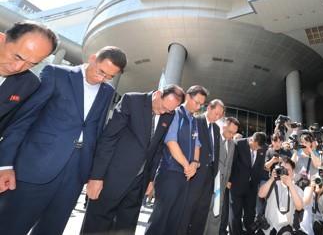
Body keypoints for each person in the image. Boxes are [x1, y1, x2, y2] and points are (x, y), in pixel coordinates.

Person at [0, 46, 127, 235]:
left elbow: (96, 130)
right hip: (36, 165)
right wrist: (5, 164)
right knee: (12, 226)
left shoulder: (107, 92)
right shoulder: (56, 74)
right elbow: (24, 119)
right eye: (101, 72)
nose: (102, 79)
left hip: (75, 172)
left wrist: (94, 173)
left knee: (52, 229)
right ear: (92, 58)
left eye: (109, 77)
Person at [80, 85, 185, 234]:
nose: (164, 112)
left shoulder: (170, 114)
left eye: (169, 110)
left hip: (138, 183)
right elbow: (109, 138)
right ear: (158, 94)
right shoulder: (132, 100)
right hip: (112, 178)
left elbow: (158, 149)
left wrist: (150, 179)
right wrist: (96, 176)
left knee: (126, 227)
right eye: (163, 107)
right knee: (97, 225)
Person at [145, 85, 208, 235]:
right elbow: (171, 141)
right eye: (197, 102)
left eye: (201, 104)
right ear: (188, 97)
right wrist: (187, 165)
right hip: (169, 173)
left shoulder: (193, 120)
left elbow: (197, 144)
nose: (199, 107)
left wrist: (195, 163)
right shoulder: (176, 114)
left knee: (175, 219)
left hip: (185, 176)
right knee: (161, 218)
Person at [0, 21, 58, 137]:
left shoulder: (29, 84)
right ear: (2, 39)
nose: (17, 68)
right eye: (17, 57)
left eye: (31, 64)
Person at [180, 99, 225, 235]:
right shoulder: (196, 121)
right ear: (209, 108)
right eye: (216, 113)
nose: (217, 117)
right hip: (195, 174)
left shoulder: (217, 129)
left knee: (202, 213)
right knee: (187, 210)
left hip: (209, 177)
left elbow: (215, 152)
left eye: (220, 115)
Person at [204, 117, 240, 235]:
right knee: (205, 213)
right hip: (210, 184)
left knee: (217, 213)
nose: (232, 135)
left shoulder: (232, 144)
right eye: (230, 132)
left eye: (234, 133)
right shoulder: (214, 138)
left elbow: (229, 165)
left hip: (222, 187)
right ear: (224, 126)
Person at [229, 131, 267, 235]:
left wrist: (258, 183)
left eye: (258, 148)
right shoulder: (238, 144)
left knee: (250, 213)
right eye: (254, 147)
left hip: (252, 187)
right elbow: (231, 163)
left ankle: (249, 232)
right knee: (235, 213)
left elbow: (260, 166)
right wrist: (229, 180)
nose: (256, 149)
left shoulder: (262, 148)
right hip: (236, 185)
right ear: (251, 139)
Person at [258, 158, 304, 235]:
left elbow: (299, 207)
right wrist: (272, 178)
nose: (285, 172)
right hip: (268, 227)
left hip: (284, 228)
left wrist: (290, 185)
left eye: (288, 170)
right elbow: (261, 194)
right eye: (283, 169)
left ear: (293, 172)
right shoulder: (273, 183)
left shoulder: (297, 189)